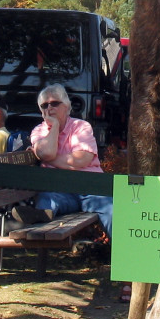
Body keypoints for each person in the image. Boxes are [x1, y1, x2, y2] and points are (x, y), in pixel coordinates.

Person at [24, 83, 112, 235]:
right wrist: (55, 127)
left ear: (66, 106)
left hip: (91, 189)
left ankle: (123, 256)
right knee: (46, 203)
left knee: (112, 212)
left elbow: (80, 160)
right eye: (44, 106)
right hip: (60, 191)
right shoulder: (39, 131)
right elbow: (47, 152)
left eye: (54, 103)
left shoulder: (81, 127)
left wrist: (47, 159)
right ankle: (34, 240)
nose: (49, 108)